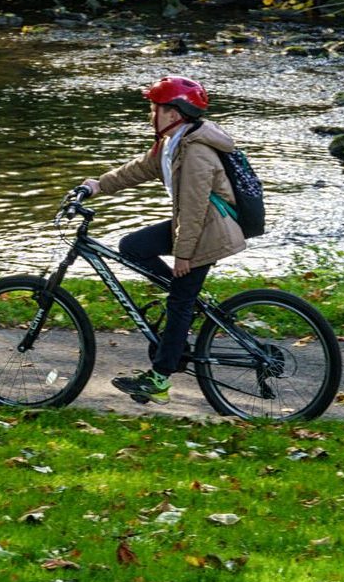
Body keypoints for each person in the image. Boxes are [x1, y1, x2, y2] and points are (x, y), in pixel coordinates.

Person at [80, 75, 248, 404]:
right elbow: (138, 169)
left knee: (179, 302)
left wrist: (182, 257)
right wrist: (97, 185)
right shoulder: (172, 143)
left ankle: (159, 380)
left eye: (154, 107)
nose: (150, 113)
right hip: (197, 226)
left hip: (208, 232)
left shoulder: (196, 152)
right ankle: (184, 306)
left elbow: (195, 210)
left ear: (173, 113)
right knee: (133, 247)